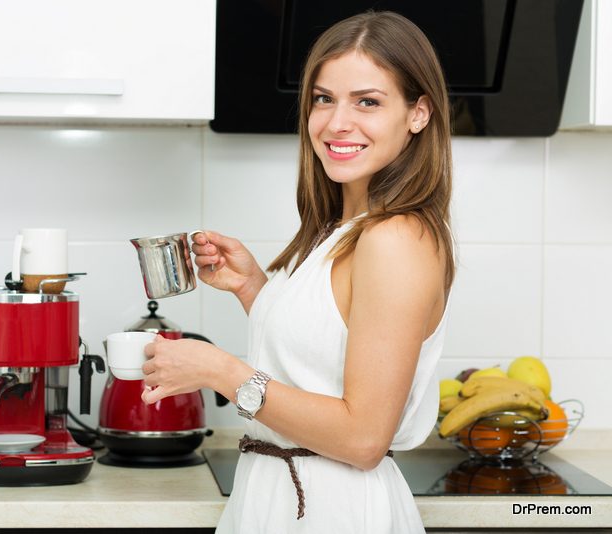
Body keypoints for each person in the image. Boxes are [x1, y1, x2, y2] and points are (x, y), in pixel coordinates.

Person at [141, 11, 455, 533]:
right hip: (284, 500)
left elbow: (362, 439)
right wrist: (254, 290)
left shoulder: (395, 239)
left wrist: (221, 371)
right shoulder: (343, 228)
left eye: (368, 101)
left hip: (335, 512)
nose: (336, 122)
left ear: (418, 113)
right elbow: (327, 354)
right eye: (323, 98)